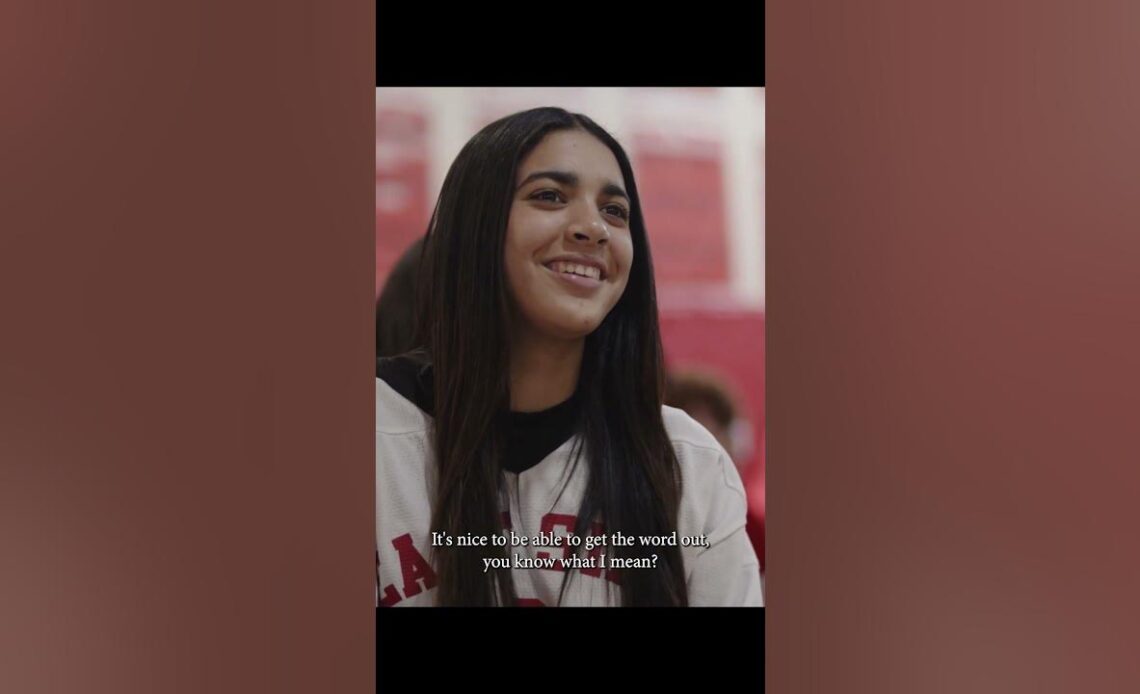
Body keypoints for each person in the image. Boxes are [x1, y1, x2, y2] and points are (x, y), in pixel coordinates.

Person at [376, 107, 762, 607]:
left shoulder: (686, 462)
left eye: (615, 211)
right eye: (549, 196)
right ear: (475, 225)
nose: (593, 228)